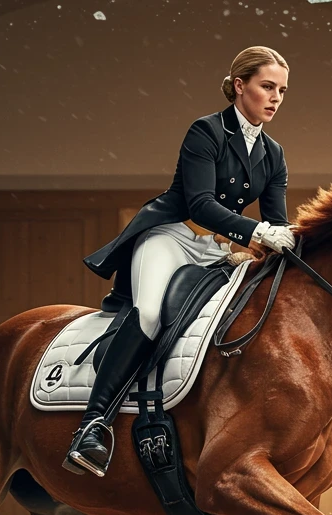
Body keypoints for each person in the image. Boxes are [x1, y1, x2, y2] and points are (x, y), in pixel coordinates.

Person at [64, 45, 298, 477]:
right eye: (267, 87)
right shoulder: (206, 131)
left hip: (218, 251)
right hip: (172, 237)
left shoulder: (274, 154)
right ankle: (92, 425)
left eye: (282, 91)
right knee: (150, 314)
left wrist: (289, 238)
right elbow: (202, 204)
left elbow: (277, 222)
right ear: (239, 85)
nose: (275, 98)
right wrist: (259, 232)